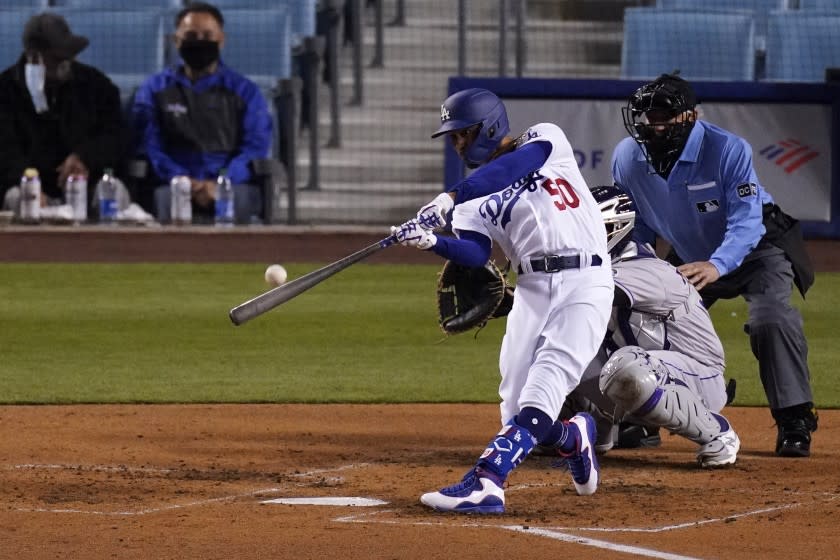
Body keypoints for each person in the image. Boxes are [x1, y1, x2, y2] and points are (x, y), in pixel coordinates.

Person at [392, 88, 614, 513]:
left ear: (490, 125)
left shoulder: (545, 140)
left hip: (585, 278)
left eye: (463, 133)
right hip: (532, 288)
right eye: (453, 137)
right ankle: (573, 437)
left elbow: (512, 167)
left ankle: (487, 480)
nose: (458, 144)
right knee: (514, 405)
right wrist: (430, 241)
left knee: (547, 381)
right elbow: (476, 254)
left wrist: (449, 196)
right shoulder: (470, 203)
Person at [612, 73, 818, 457]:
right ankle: (647, 416)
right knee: (645, 318)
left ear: (690, 116)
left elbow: (747, 220)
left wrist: (718, 264)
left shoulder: (726, 149)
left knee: (770, 318)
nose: (650, 125)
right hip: (689, 254)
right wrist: (642, 271)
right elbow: (635, 225)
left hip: (756, 247)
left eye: (660, 116)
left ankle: (795, 419)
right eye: (644, 116)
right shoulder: (628, 157)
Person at [560, 186, 740, 467]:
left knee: (626, 366)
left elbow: (586, 293)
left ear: (613, 228)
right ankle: (596, 428)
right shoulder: (597, 269)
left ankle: (718, 432)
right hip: (645, 374)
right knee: (554, 343)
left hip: (698, 378)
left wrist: (521, 293)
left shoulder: (648, 271)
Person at [132, 2, 272, 225]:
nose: (199, 41)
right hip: (174, 183)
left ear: (221, 40)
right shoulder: (153, 89)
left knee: (239, 201)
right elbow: (150, 146)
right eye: (191, 35)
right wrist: (182, 180)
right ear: (175, 40)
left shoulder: (246, 91)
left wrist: (220, 183)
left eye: (207, 35)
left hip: (230, 183)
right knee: (165, 200)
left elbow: (254, 149)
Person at [0, 13, 125, 216]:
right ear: (34, 56)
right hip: (32, 185)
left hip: (87, 183)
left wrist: (85, 157)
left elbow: (116, 135)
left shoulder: (97, 85)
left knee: (114, 191)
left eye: (69, 54)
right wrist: (28, 182)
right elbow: (5, 152)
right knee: (19, 197)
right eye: (57, 57)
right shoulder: (4, 90)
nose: (66, 61)